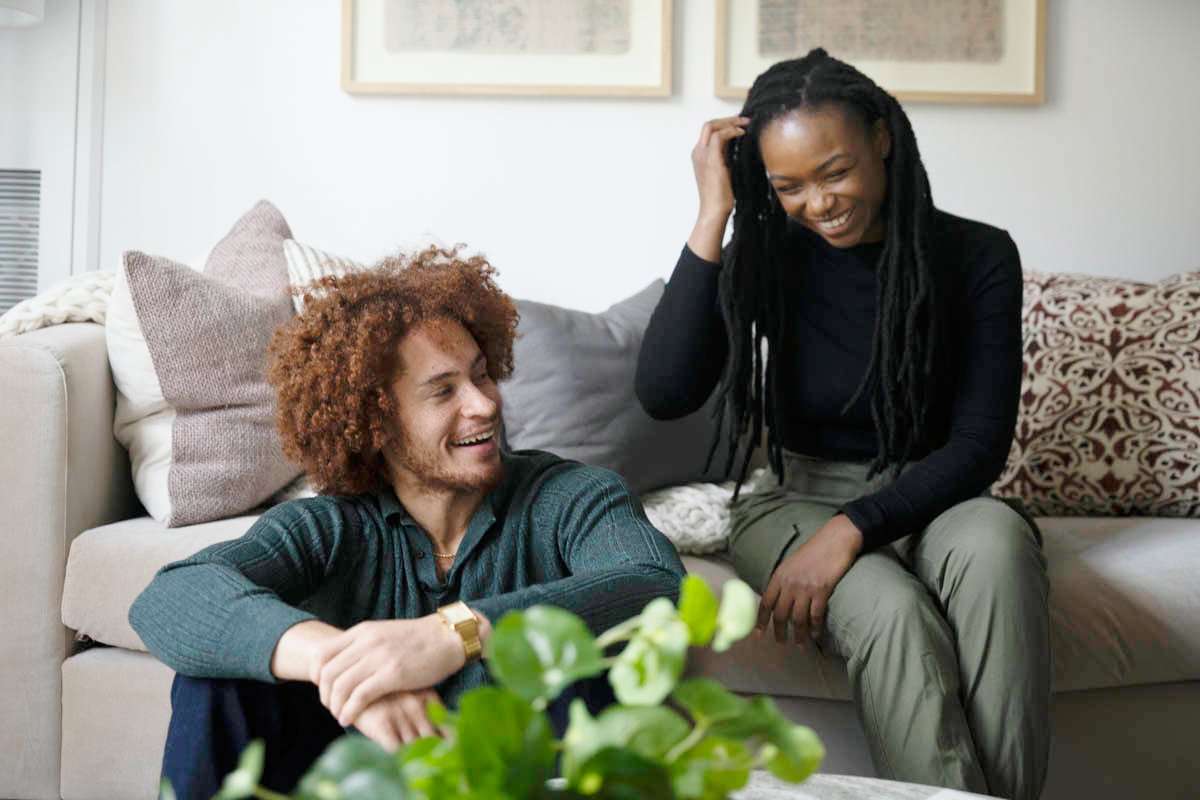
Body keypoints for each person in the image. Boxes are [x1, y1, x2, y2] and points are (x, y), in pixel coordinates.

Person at [636, 48, 1049, 800]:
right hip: (795, 495)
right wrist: (712, 212)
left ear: (882, 138)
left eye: (835, 172)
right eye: (787, 185)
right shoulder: (767, 258)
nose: (817, 203)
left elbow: (980, 443)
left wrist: (853, 528)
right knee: (892, 611)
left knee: (998, 550)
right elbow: (664, 390)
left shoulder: (977, 254)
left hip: (938, 494)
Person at [130, 247, 685, 799]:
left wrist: (454, 634)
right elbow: (172, 596)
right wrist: (345, 668)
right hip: (356, 781)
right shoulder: (331, 527)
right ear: (377, 422)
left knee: (578, 663)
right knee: (218, 678)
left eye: (482, 375)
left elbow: (653, 584)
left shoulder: (570, 497)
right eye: (443, 390)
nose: (484, 404)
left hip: (524, 778)